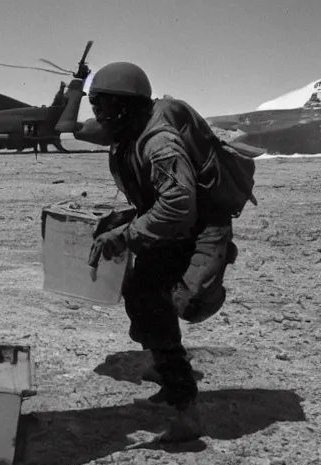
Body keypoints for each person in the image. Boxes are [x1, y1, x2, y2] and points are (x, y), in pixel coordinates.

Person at [84, 62, 241, 443]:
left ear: (126, 106)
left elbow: (177, 206)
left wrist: (124, 235)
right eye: (96, 106)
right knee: (142, 297)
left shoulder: (160, 143)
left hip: (199, 225)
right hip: (170, 226)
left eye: (106, 107)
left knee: (185, 302)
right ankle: (172, 378)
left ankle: (187, 416)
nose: (100, 116)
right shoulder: (131, 132)